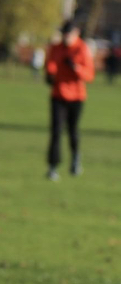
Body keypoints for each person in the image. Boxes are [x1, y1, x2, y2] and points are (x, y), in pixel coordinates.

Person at [44, 19, 95, 180]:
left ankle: (75, 158)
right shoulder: (56, 48)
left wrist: (76, 68)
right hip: (58, 94)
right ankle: (52, 166)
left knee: (72, 131)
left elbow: (90, 75)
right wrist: (50, 74)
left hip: (77, 96)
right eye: (64, 34)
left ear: (76, 33)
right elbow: (50, 64)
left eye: (69, 34)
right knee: (56, 131)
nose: (66, 37)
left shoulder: (82, 49)